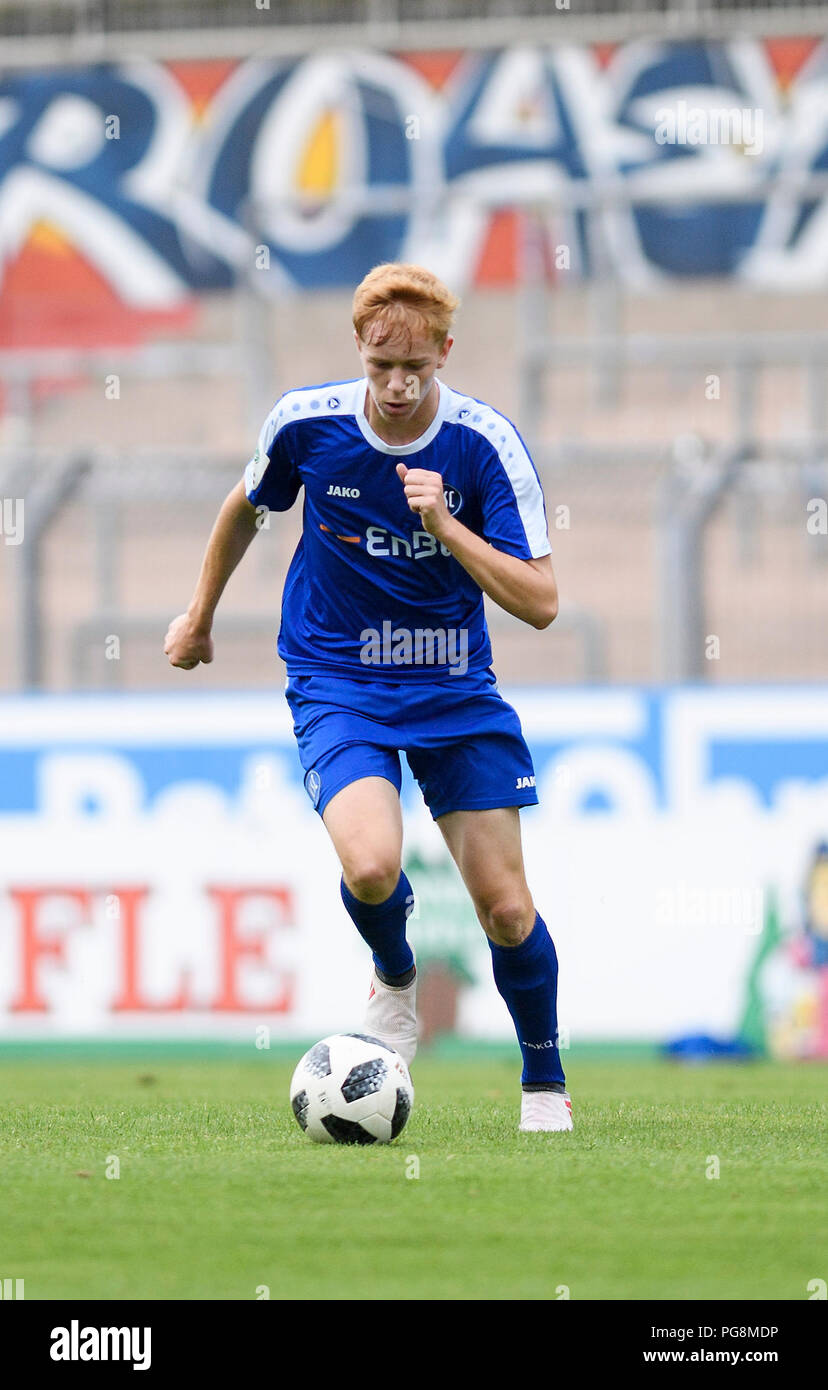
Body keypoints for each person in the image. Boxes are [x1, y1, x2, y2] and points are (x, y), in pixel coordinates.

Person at [164, 262, 571, 1132]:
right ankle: (395, 974)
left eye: (415, 370)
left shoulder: (483, 445)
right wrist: (198, 618)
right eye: (382, 366)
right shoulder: (308, 424)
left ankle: (544, 1082)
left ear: (444, 356)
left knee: (505, 907)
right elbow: (245, 506)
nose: (396, 385)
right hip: (338, 677)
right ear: (360, 349)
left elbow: (541, 603)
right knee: (373, 865)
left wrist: (448, 528)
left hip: (455, 683)